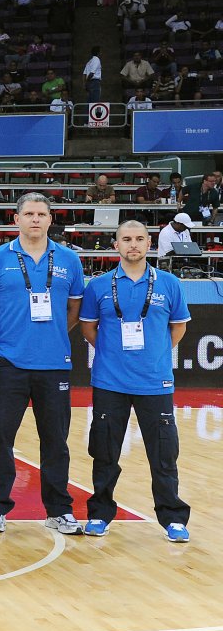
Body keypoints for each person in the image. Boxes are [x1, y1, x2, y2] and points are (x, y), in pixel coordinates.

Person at [0, 194, 86, 535]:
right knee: (0, 438)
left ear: (50, 219)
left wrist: (51, 335)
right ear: (16, 219)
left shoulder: (69, 259)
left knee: (55, 441)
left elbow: (75, 311)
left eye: (41, 214)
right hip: (9, 362)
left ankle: (59, 510)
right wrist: (8, 335)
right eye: (29, 214)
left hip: (54, 364)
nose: (35, 219)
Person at [79, 221, 191, 542]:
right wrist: (112, 354)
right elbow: (88, 329)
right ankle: (100, 513)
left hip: (155, 382)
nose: (133, 244)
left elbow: (178, 328)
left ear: (149, 244)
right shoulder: (98, 285)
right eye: (126, 239)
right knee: (104, 452)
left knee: (164, 453)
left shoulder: (169, 283)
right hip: (110, 382)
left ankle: (173, 518)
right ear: (116, 245)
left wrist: (154, 355)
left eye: (140, 239)